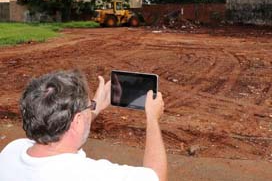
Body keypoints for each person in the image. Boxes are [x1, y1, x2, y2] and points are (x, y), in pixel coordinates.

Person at [0, 70, 167, 181]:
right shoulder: (88, 174)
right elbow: (156, 176)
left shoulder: (11, 151)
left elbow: (65, 128)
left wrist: (95, 106)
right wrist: (152, 118)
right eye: (89, 106)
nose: (91, 108)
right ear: (78, 120)